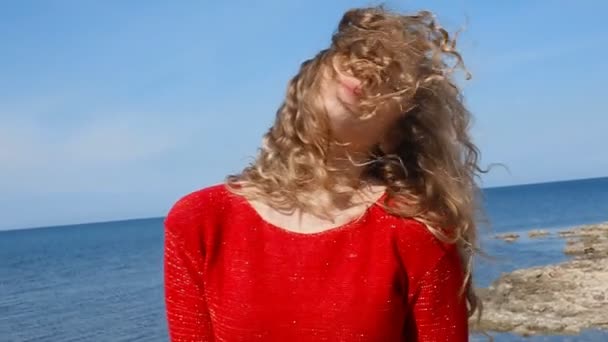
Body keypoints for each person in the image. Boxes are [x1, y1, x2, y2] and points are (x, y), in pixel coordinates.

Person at [164, 5, 482, 341]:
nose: (368, 73)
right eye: (357, 55)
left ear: (396, 134)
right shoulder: (201, 221)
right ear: (309, 79)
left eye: (393, 78)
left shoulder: (417, 233)